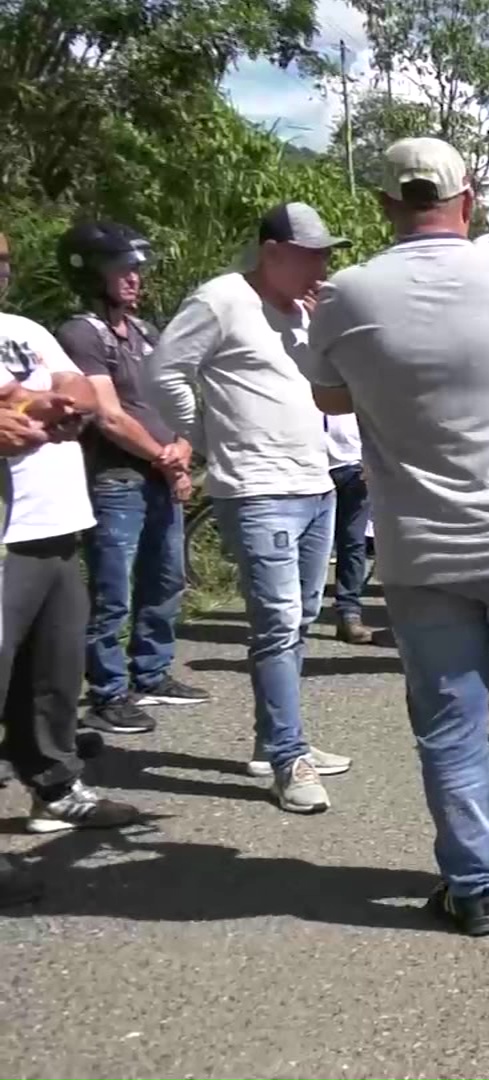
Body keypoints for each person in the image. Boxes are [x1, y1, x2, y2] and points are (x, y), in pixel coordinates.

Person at [304, 137, 489, 936]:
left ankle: (472, 885)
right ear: (467, 200)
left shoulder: (346, 294)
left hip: (419, 551)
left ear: (384, 207)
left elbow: (331, 398)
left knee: (448, 723)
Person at [144, 201, 353, 811]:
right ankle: (290, 758)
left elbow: (325, 387)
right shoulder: (222, 299)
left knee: (303, 617)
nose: (321, 267)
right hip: (258, 491)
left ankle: (277, 740)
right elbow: (164, 372)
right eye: (310, 255)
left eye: (325, 255)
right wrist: (203, 435)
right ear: (271, 252)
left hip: (317, 485)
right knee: (279, 622)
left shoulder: (303, 315)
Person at [52, 221, 207, 738]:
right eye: (123, 268)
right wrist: (166, 456)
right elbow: (107, 415)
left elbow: (177, 396)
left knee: (165, 581)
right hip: (116, 481)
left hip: (161, 474)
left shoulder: (144, 333)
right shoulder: (81, 334)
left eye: (138, 268)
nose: (135, 277)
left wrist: (182, 447)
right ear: (90, 273)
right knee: (112, 591)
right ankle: (107, 693)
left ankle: (152, 673)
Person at [0, 304, 144, 847]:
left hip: (57, 527)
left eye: (4, 262)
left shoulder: (23, 328)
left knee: (54, 676)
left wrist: (48, 401)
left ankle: (55, 791)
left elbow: (82, 390)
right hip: (7, 538)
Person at [323, 411, 374, 644]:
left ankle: (349, 614)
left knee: (353, 542)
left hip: (353, 466)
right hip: (310, 468)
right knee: (309, 544)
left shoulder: (358, 375)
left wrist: (371, 458)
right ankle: (294, 616)